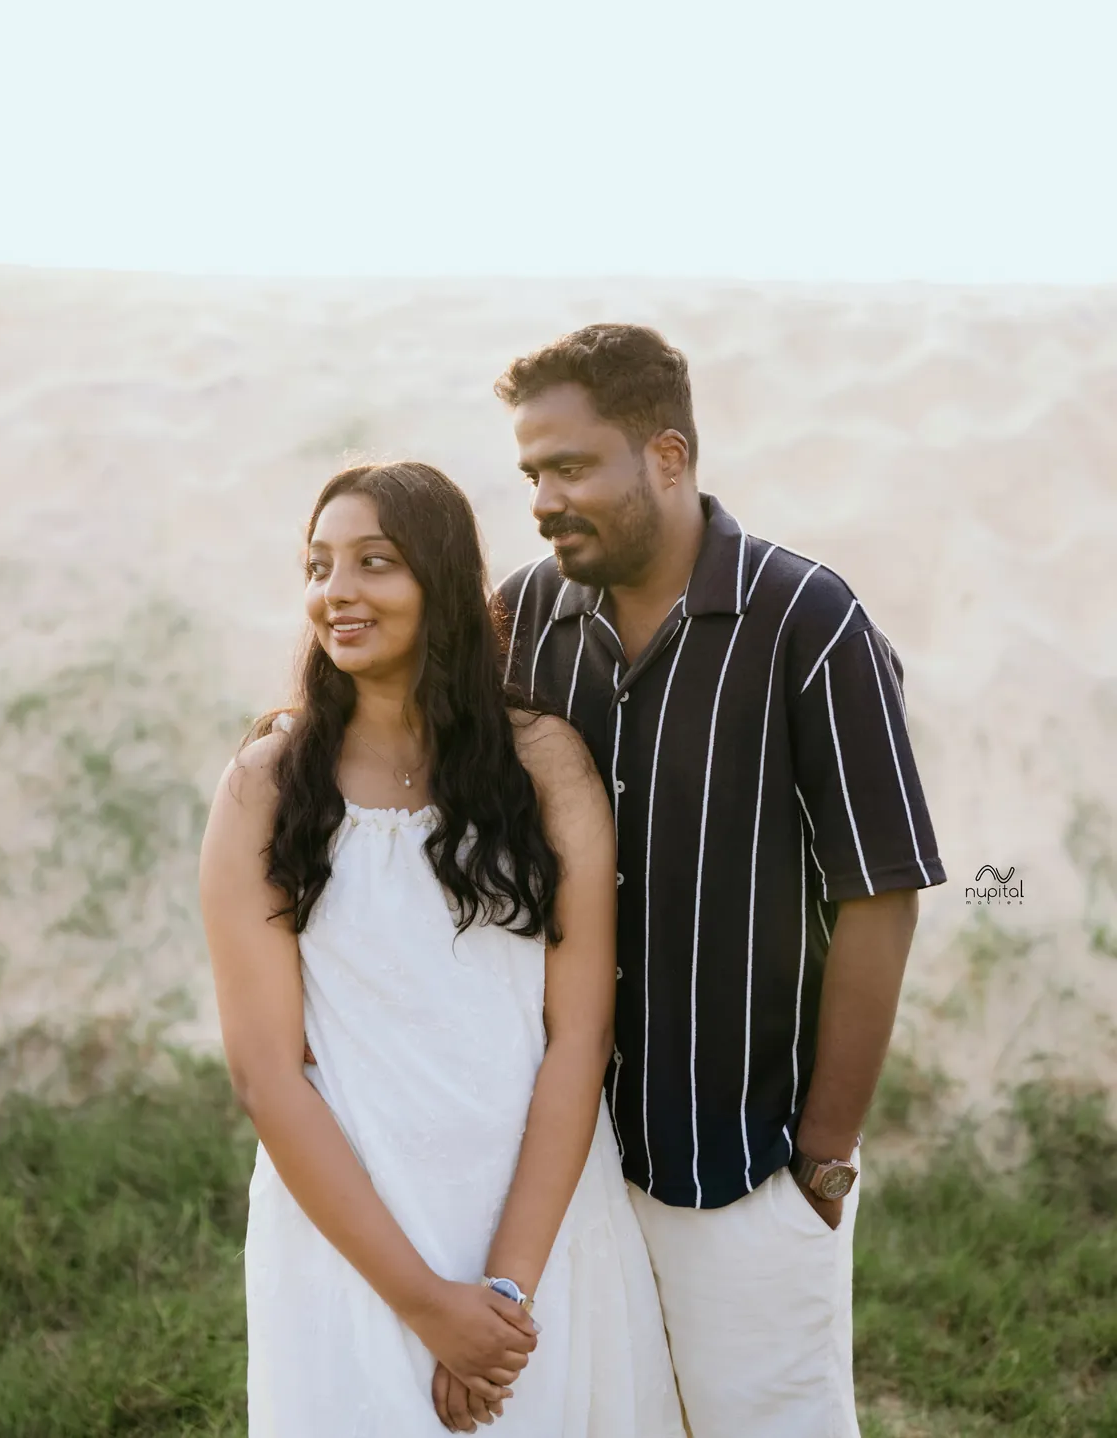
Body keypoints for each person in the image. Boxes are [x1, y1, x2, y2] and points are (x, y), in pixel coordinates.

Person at [493, 325, 947, 1438]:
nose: (544, 500)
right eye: (531, 473)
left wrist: (823, 1158)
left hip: (742, 1165)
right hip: (562, 1172)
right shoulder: (523, 621)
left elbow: (880, 894)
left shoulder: (810, 622)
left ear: (668, 456)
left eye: (570, 467)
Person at [199, 460, 686, 1437]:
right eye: (319, 565)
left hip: (535, 1216)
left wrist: (504, 1289)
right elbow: (266, 1073)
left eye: (374, 562)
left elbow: (579, 1036)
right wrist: (426, 1303)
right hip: (353, 1229)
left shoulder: (544, 763)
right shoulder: (267, 783)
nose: (337, 591)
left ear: (444, 580)